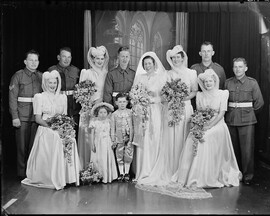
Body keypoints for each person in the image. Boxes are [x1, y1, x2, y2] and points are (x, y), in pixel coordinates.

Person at [171, 69, 242, 188]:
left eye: (210, 81)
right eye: (206, 82)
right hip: (203, 122)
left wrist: (210, 125)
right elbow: (199, 112)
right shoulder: (199, 95)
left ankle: (206, 176)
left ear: (215, 81)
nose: (208, 83)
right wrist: (198, 123)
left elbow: (221, 114)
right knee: (192, 136)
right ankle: (190, 175)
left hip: (218, 124)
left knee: (205, 136)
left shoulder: (222, 93)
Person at [21, 70, 81, 190]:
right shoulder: (39, 97)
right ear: (45, 83)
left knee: (71, 139)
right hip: (46, 127)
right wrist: (52, 127)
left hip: (60, 126)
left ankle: (68, 177)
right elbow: (38, 118)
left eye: (54, 82)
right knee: (56, 138)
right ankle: (54, 177)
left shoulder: (62, 97)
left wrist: (65, 127)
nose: (52, 85)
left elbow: (64, 116)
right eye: (50, 83)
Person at [225, 57, 264, 185]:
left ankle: (248, 177)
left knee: (247, 151)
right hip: (231, 120)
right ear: (233, 68)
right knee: (232, 150)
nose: (237, 69)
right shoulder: (227, 83)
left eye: (240, 67)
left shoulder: (252, 83)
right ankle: (235, 175)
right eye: (235, 67)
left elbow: (259, 103)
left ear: (245, 68)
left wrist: (248, 114)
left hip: (247, 121)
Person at [132, 52, 167, 182]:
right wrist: (140, 100)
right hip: (143, 111)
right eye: (145, 64)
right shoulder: (140, 77)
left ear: (154, 64)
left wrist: (153, 99)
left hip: (156, 110)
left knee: (155, 135)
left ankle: (154, 168)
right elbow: (134, 93)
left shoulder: (161, 77)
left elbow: (164, 96)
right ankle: (143, 170)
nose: (147, 66)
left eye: (149, 63)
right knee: (144, 137)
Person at [9, 49, 43, 180]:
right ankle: (22, 173)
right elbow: (12, 97)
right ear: (25, 61)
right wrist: (14, 117)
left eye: (36, 60)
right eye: (31, 60)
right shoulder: (18, 76)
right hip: (22, 116)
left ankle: (31, 172)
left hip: (36, 116)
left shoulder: (41, 76)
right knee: (22, 146)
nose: (34, 63)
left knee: (34, 146)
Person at [77, 46, 109, 170]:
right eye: (97, 58)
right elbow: (81, 92)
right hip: (89, 108)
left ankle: (100, 167)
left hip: (102, 109)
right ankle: (86, 166)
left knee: (101, 137)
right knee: (88, 135)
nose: (100, 61)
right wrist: (89, 103)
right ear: (93, 59)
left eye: (102, 58)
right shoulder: (86, 72)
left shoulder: (106, 73)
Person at [48, 47, 80, 135]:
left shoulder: (76, 70)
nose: (67, 59)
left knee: (73, 130)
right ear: (58, 57)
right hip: (58, 103)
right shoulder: (51, 70)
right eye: (64, 56)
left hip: (73, 105)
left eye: (69, 57)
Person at [89, 102, 118, 183]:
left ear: (107, 113)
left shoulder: (109, 121)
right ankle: (98, 175)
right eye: (100, 112)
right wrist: (92, 144)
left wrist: (113, 141)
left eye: (105, 112)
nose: (103, 114)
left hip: (107, 142)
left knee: (106, 157)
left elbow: (112, 132)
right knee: (98, 158)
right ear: (97, 113)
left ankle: (107, 176)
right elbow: (92, 134)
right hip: (98, 142)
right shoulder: (94, 122)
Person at [111, 93, 134, 182]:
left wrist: (132, 137)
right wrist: (113, 139)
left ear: (127, 102)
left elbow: (133, 125)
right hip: (119, 138)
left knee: (128, 154)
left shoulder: (130, 113)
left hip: (129, 138)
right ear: (116, 103)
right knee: (119, 154)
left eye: (124, 101)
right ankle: (121, 173)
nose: (122, 104)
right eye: (120, 102)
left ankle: (127, 173)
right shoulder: (114, 114)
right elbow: (113, 128)